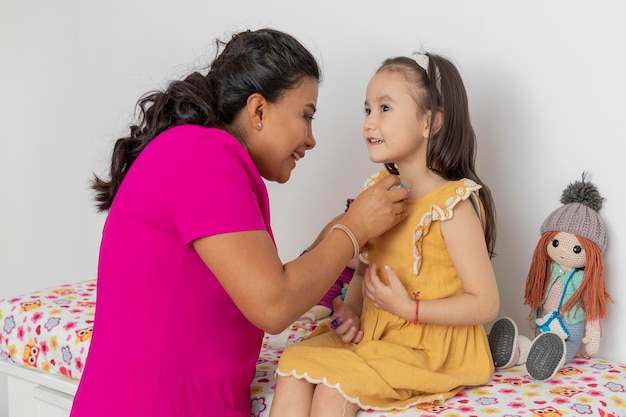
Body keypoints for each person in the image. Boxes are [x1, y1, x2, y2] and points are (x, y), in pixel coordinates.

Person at [69, 28, 408, 417]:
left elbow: (260, 284)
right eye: (306, 116)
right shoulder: (203, 157)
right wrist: (354, 229)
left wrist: (342, 234)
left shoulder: (195, 152)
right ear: (259, 110)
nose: (311, 139)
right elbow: (274, 303)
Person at [270, 52, 499, 416]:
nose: (369, 123)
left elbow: (485, 303)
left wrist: (410, 308)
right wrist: (354, 313)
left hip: (429, 350)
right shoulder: (380, 194)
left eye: (385, 109)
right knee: (293, 365)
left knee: (333, 389)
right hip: (380, 339)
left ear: (430, 123)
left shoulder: (451, 205)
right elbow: (365, 269)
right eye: (367, 110)